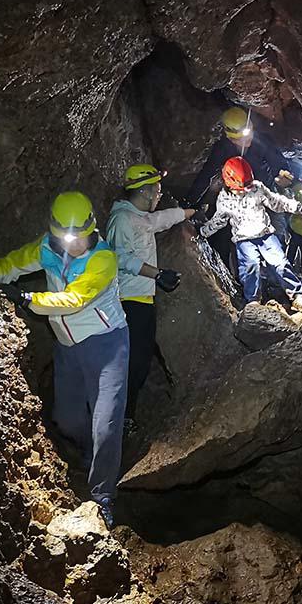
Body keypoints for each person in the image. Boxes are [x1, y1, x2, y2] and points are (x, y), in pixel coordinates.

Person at [0, 191, 158, 528]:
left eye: (77, 237)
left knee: (106, 423)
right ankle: (91, 454)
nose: (72, 244)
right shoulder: (47, 247)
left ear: (91, 228)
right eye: (64, 237)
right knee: (68, 421)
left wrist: (29, 298)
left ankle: (103, 495)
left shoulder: (102, 259)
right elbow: (15, 263)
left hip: (108, 346)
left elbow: (73, 299)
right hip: (67, 349)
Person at [106, 164, 195, 433]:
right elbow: (119, 257)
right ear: (145, 191)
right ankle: (117, 420)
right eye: (157, 189)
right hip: (127, 301)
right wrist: (157, 274)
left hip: (142, 301)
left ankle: (124, 416)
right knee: (131, 364)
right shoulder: (122, 219)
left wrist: (192, 213)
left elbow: (162, 219)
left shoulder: (139, 217)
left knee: (140, 362)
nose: (159, 193)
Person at [200, 156, 302, 312]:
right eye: (244, 187)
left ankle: (297, 295)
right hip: (244, 239)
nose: (248, 189)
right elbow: (219, 220)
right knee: (250, 267)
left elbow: (276, 202)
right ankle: (253, 301)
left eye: (249, 185)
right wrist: (203, 231)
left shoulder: (257, 188)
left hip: (265, 234)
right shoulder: (224, 199)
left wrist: (298, 207)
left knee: (280, 263)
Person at [184, 107, 294, 250]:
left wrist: (282, 175)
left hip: (264, 191)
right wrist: (189, 202)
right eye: (241, 138)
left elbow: (278, 163)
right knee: (233, 239)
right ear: (230, 137)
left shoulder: (262, 141)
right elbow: (206, 175)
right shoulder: (223, 148)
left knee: (276, 232)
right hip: (237, 196)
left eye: (249, 134)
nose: (248, 139)